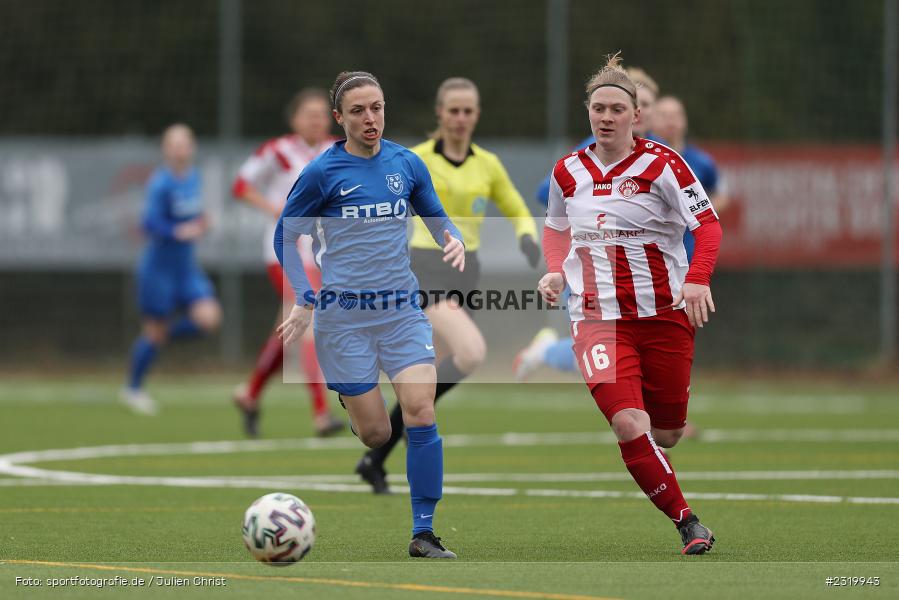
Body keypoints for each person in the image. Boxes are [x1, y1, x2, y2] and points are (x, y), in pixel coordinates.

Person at [274, 71, 465, 559]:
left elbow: (430, 207)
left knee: (421, 410)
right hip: (344, 321)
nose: (370, 118)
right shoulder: (322, 172)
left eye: (376, 107)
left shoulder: (407, 162)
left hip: (401, 311)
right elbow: (286, 234)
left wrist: (450, 236)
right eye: (358, 110)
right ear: (340, 118)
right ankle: (354, 405)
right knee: (378, 432)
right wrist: (302, 297)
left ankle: (424, 532)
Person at [537, 53, 722, 555]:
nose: (606, 117)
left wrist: (697, 280)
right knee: (627, 422)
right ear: (588, 112)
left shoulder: (664, 164)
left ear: (636, 116)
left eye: (617, 109)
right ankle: (689, 523)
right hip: (597, 318)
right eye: (598, 108)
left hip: (664, 316)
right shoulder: (567, 171)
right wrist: (555, 269)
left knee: (668, 432)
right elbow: (555, 227)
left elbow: (707, 226)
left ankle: (664, 469)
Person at [354, 77, 539, 494]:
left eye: (467, 111)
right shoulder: (413, 158)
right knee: (471, 352)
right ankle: (378, 433)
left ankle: (375, 459)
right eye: (452, 110)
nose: (460, 118)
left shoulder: (486, 164)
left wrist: (527, 236)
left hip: (465, 272)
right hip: (424, 267)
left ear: (476, 115)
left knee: (423, 386)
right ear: (439, 113)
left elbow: (515, 206)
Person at [516, 68, 660, 379]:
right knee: (601, 352)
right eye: (641, 103)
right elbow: (548, 192)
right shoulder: (598, 144)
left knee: (641, 347)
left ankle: (659, 421)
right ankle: (547, 352)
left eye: (650, 105)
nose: (645, 112)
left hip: (642, 270)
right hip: (592, 263)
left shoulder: (658, 154)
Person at [231, 89, 343, 438]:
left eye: (321, 114)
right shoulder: (277, 151)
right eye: (308, 114)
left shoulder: (337, 150)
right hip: (285, 251)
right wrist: (274, 209)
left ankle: (249, 395)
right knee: (311, 320)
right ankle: (321, 414)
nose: (316, 120)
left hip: (322, 254)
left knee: (290, 327)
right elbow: (240, 186)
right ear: (294, 120)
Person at [121, 124, 222, 415]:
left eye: (185, 143)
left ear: (192, 148)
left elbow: (193, 217)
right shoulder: (160, 183)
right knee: (154, 330)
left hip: (186, 268)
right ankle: (133, 389)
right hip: (158, 270)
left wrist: (202, 222)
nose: (180, 149)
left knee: (209, 318)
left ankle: (159, 337)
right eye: (174, 144)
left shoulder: (193, 177)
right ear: (166, 149)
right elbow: (150, 224)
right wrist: (179, 231)